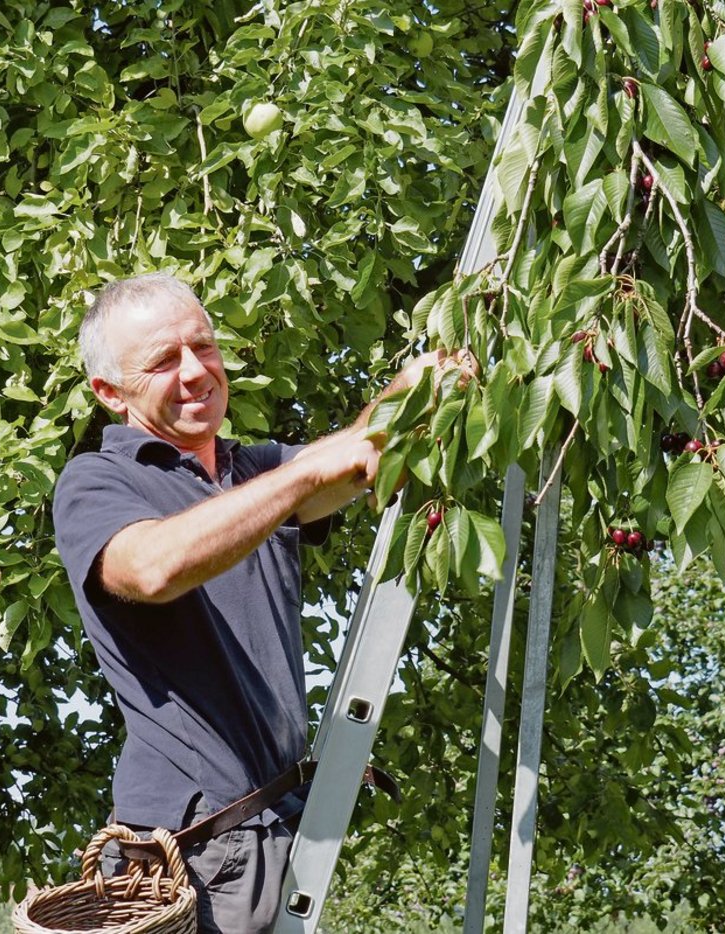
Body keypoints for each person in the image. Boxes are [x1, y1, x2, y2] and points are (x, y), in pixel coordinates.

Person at [52, 272, 460, 933]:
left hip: (274, 829)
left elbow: (361, 459)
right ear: (110, 392)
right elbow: (153, 568)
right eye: (162, 361)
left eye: (203, 347)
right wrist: (298, 476)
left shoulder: (252, 469)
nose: (194, 372)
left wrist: (416, 389)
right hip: (192, 853)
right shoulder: (97, 481)